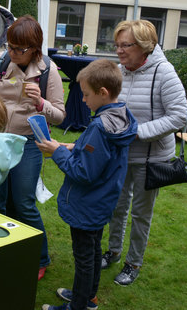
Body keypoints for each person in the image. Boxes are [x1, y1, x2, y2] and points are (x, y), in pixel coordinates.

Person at [38, 60, 138, 310]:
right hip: (103, 200)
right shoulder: (121, 116)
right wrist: (71, 146)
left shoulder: (99, 127)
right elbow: (101, 156)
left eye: (86, 94)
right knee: (93, 251)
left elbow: (83, 172)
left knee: (84, 257)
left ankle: (77, 306)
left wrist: (56, 153)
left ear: (103, 93)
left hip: (87, 204)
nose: (83, 100)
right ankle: (88, 297)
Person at [101, 20, 187, 286]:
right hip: (120, 155)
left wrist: (138, 132)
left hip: (151, 159)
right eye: (116, 45)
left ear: (144, 46)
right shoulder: (119, 71)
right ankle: (114, 251)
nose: (119, 51)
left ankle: (133, 263)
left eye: (125, 45)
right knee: (117, 207)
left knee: (141, 214)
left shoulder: (164, 72)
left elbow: (179, 116)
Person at [0, 15, 66, 280]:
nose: (13, 53)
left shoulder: (48, 70)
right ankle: (4, 250)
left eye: (20, 49)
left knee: (24, 202)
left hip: (27, 142)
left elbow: (60, 116)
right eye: (10, 46)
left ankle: (40, 258)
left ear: (35, 49)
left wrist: (40, 103)